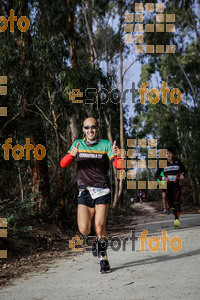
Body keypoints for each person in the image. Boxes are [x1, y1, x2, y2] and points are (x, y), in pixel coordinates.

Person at [60, 117, 123, 273]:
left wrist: (118, 155)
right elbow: (63, 164)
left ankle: (104, 259)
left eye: (93, 127)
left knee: (100, 226)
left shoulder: (106, 145)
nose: (90, 130)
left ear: (97, 128)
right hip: (85, 191)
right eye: (87, 127)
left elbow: (119, 166)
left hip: (102, 190)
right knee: (84, 230)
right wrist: (71, 155)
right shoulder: (77, 144)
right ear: (83, 129)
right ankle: (94, 239)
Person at [156, 147, 186, 228]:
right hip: (167, 186)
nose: (168, 155)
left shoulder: (177, 161)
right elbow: (157, 174)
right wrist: (162, 178)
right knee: (170, 203)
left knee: (177, 201)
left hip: (177, 185)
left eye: (170, 153)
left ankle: (177, 219)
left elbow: (184, 170)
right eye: (167, 153)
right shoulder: (163, 163)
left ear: (172, 154)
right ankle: (174, 212)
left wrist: (183, 175)